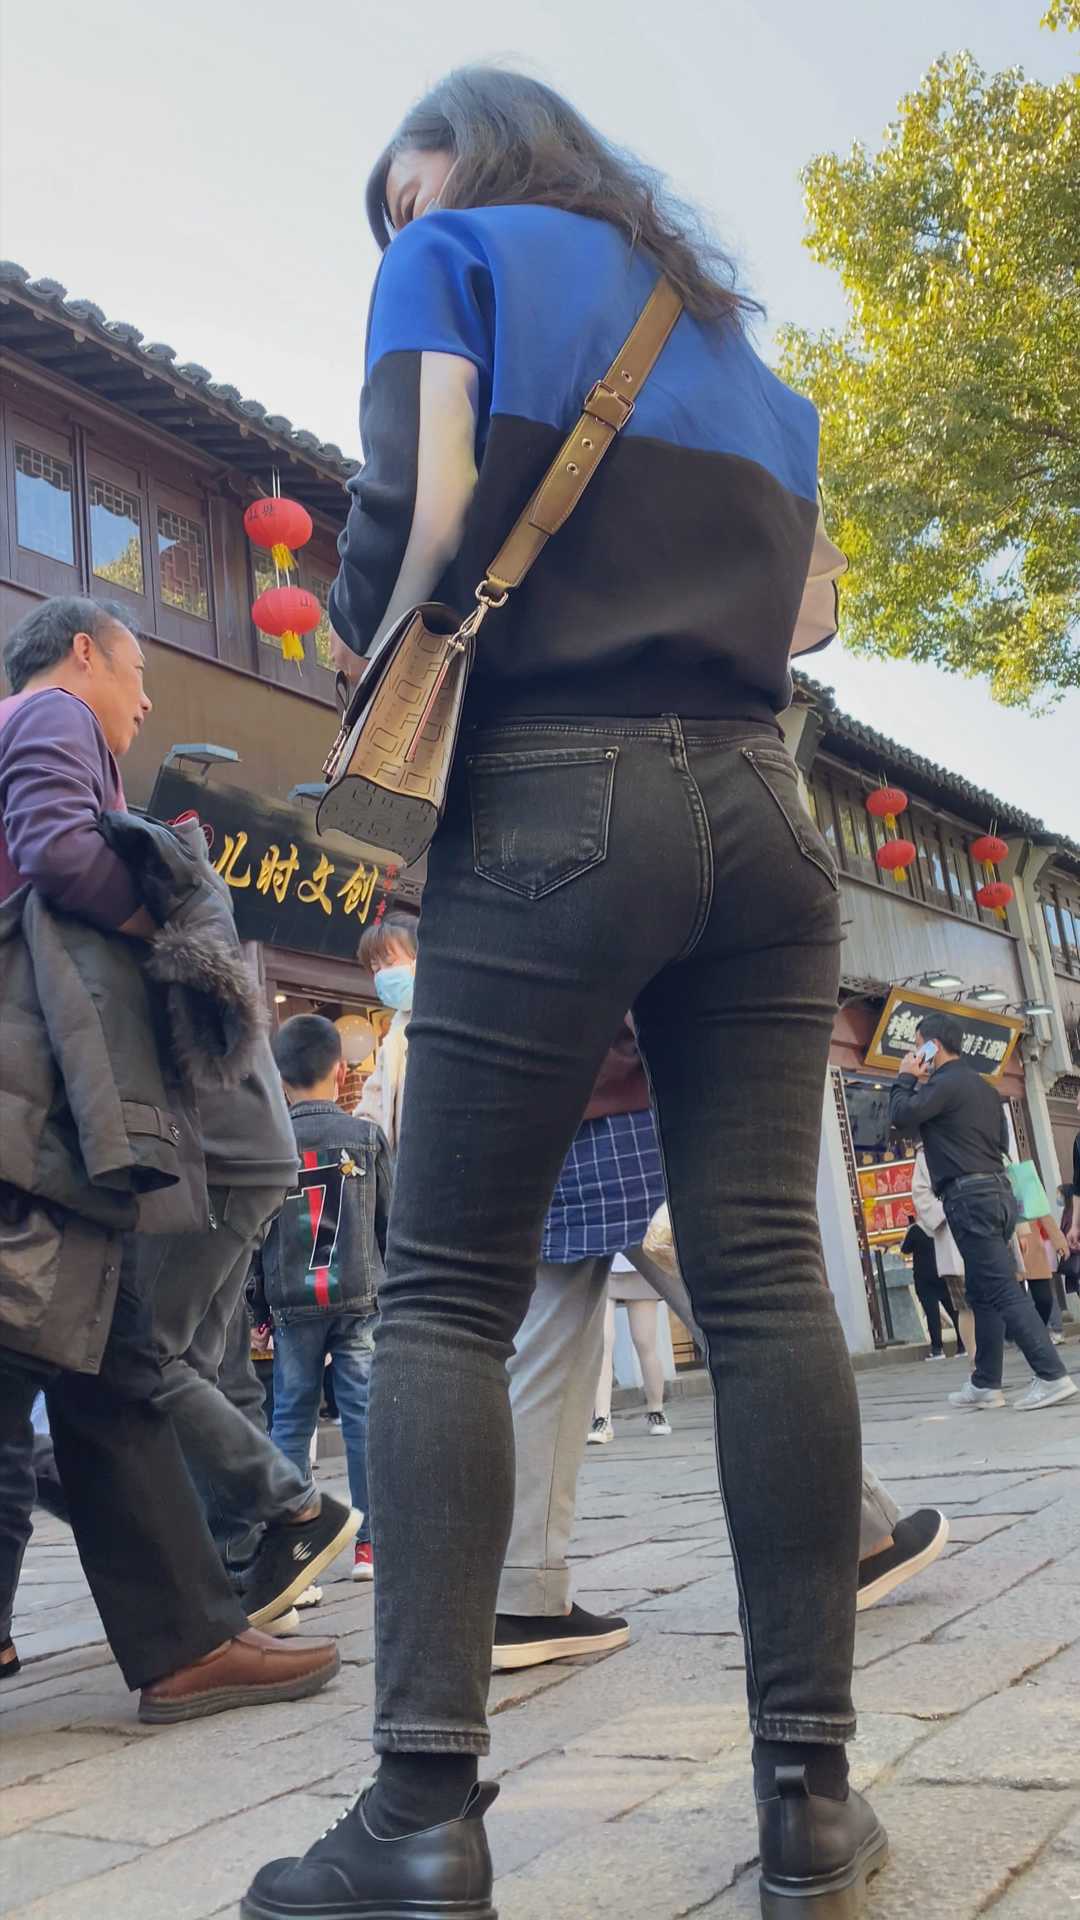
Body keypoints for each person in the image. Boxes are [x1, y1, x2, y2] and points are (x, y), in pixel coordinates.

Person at [244, 68, 886, 1920]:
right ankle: (811, 1805)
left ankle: (422, 1818)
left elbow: (421, 505)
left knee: (447, 1289)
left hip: (550, 785)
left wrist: (371, 641)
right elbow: (817, 617)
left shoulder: (456, 262)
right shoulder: (746, 360)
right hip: (763, 809)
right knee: (765, 1281)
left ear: (484, 155)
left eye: (412, 184)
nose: (403, 220)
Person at [0, 595, 339, 1721]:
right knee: (88, 1369)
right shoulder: (51, 715)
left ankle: (191, 1640)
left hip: (41, 1114)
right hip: (38, 1114)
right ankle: (192, 1640)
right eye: (137, 672)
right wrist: (177, 936)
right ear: (82, 652)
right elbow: (59, 850)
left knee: (108, 1371)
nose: (145, 702)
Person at [255, 1015, 392, 1584]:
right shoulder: (366, 1136)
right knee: (362, 1417)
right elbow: (389, 1223)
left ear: (279, 1077)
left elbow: (256, 1231)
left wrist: (257, 1306)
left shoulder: (269, 1141)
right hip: (359, 1296)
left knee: (290, 1419)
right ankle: (370, 1544)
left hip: (293, 1300)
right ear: (340, 1071)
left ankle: (295, 1552)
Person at [890, 1011, 1075, 1413]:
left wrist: (905, 1078)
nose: (914, 1054)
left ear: (932, 1047)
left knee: (1001, 1288)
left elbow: (901, 1116)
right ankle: (985, 1383)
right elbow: (1000, 1146)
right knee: (981, 1290)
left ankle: (1051, 1375)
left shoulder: (942, 1084)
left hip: (970, 1199)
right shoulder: (984, 1088)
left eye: (917, 1046)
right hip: (996, 1194)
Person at [355, 914, 417, 1149]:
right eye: (376, 968)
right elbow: (371, 1107)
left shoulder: (455, 1016)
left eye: (389, 963)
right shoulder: (395, 1032)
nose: (382, 975)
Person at [592, 1266, 676, 1435]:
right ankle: (602, 1418)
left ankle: (656, 1410)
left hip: (637, 1266)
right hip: (599, 1265)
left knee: (645, 1343)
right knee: (602, 1344)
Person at [911, 1145, 973, 1360]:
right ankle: (976, 1363)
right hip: (952, 1238)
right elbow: (921, 1195)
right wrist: (949, 1210)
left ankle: (1045, 1366)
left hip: (987, 1223)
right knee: (965, 1306)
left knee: (1000, 1296)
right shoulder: (925, 1151)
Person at [899, 1215, 963, 1360]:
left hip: (924, 1278)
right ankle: (962, 1345)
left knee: (932, 1314)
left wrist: (908, 1231)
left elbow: (905, 1249)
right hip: (944, 1273)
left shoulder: (915, 1230)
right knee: (954, 1311)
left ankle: (937, 1349)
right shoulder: (941, 1225)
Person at [1016, 1211, 1070, 1339]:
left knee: (1044, 1299)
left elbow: (1043, 1213)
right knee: (1016, 1302)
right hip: (1006, 1250)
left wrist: (1059, 1242)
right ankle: (1027, 1337)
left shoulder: (1030, 1197)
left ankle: (1037, 1332)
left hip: (1033, 1249)